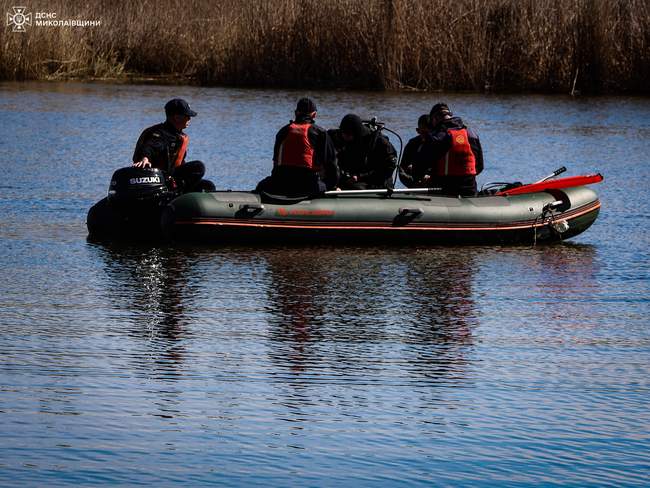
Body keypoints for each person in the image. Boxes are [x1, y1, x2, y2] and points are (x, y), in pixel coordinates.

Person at [256, 97, 338, 197]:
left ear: (296, 113)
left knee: (261, 185)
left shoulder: (283, 132)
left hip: (281, 183)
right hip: (307, 186)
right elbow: (331, 166)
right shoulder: (320, 133)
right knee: (329, 183)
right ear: (314, 115)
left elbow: (276, 164)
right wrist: (332, 185)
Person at [132, 98, 214, 192]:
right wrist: (145, 158)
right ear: (177, 117)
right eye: (187, 116)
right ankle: (176, 192)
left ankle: (181, 193)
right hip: (161, 177)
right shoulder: (160, 133)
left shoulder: (177, 135)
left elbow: (179, 162)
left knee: (208, 186)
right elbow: (150, 146)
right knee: (198, 167)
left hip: (172, 177)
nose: (189, 119)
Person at [419, 103, 483, 196]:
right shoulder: (472, 134)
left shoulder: (437, 137)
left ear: (434, 119)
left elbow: (420, 166)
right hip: (470, 189)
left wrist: (422, 176)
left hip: (445, 191)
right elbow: (479, 167)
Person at [328, 114, 398, 190]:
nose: (344, 137)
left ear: (356, 134)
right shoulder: (338, 136)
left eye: (348, 135)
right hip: (351, 178)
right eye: (343, 133)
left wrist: (360, 177)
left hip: (376, 182)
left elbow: (389, 166)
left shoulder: (378, 142)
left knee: (355, 187)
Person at [399, 114, 433, 188]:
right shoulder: (412, 144)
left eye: (428, 133)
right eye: (422, 132)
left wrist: (431, 177)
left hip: (433, 185)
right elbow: (402, 171)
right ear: (417, 130)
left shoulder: (440, 144)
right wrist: (414, 184)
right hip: (414, 185)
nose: (426, 137)